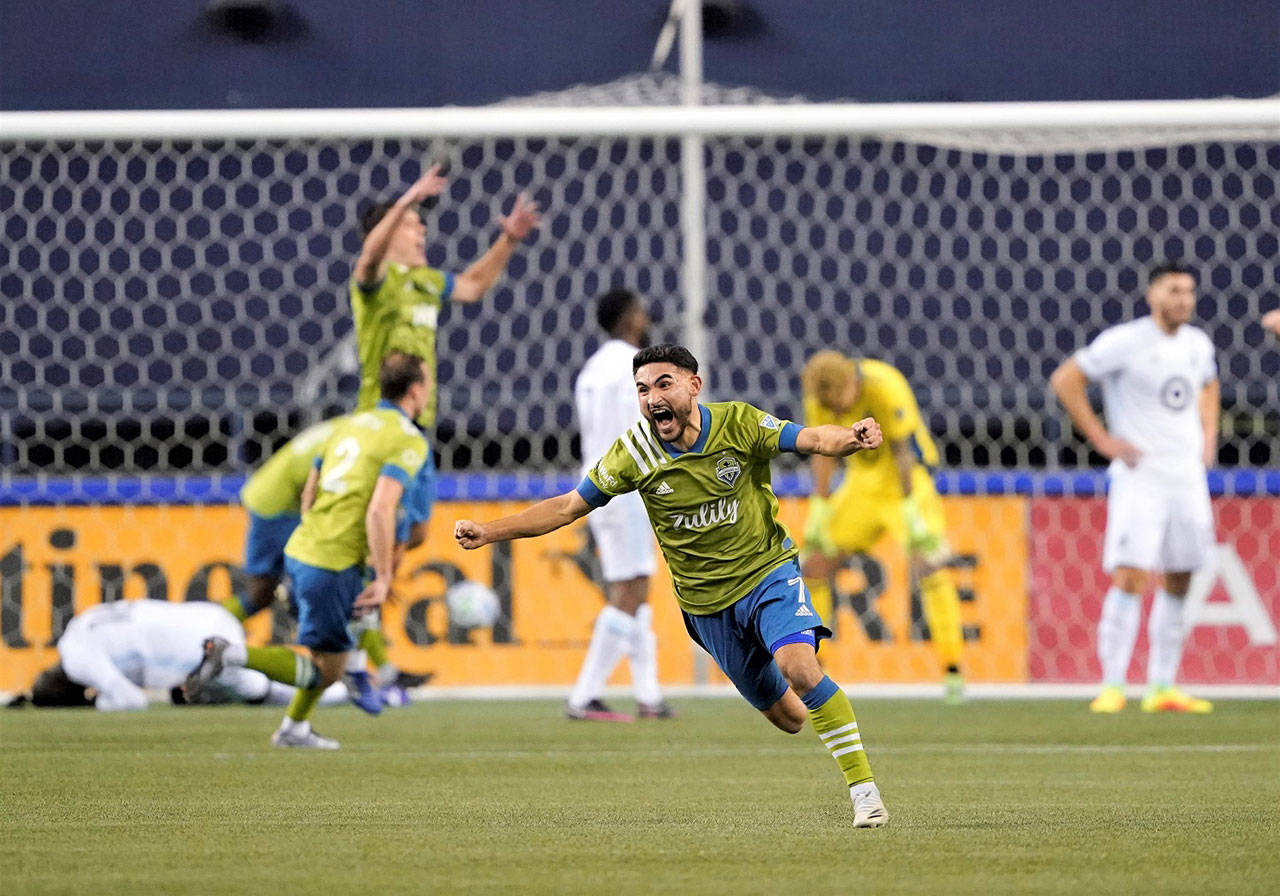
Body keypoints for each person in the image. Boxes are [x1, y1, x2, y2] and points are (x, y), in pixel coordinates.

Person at [455, 344, 890, 827]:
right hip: (707, 607)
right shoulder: (635, 453)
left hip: (767, 571)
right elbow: (566, 507)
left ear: (693, 386)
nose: (652, 398)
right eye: (642, 390)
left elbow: (812, 438)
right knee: (791, 718)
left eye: (664, 384)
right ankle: (799, 683)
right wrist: (490, 531)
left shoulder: (739, 423)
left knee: (800, 668)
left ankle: (864, 793)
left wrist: (851, 438)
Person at [348, 164, 542, 682]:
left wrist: (508, 240)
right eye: (413, 225)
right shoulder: (374, 282)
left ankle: (362, 642)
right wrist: (405, 199)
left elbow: (474, 285)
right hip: (379, 426)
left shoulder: (427, 283)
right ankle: (365, 661)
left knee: (411, 534)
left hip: (418, 428)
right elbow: (368, 259)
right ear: (387, 231)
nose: (422, 233)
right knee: (381, 539)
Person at [189, 353, 431, 749]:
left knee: (342, 622)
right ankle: (231, 655)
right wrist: (385, 575)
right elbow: (381, 509)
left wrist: (316, 530)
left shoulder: (348, 425)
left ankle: (297, 726)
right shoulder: (408, 439)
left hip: (305, 546)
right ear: (417, 391)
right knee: (324, 670)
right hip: (330, 560)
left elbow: (310, 489)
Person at [1050, 261, 1219, 714]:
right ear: (1152, 295)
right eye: (1174, 290)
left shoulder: (1198, 344)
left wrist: (1209, 436)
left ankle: (1162, 685)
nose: (1183, 299)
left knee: (1181, 576)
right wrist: (1102, 440)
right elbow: (1065, 380)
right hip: (1141, 477)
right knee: (1131, 575)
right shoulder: (1125, 341)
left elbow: (1209, 385)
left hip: (1186, 478)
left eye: (1189, 291)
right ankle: (1112, 685)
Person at [799, 351, 966, 704]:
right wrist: (819, 505)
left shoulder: (884, 385)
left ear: (851, 382)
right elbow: (822, 452)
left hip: (906, 481)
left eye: (840, 402)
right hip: (863, 484)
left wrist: (910, 509)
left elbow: (904, 451)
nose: (837, 410)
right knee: (814, 563)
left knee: (929, 563)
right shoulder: (819, 396)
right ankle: (814, 669)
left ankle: (953, 669)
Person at [226, 417, 424, 713]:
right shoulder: (374, 435)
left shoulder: (354, 426)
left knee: (272, 594)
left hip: (276, 493)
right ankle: (206, 636)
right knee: (275, 593)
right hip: (280, 503)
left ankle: (375, 670)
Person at [566, 288, 671, 722]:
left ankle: (649, 695)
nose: (646, 316)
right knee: (632, 589)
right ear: (629, 318)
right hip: (626, 483)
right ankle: (584, 696)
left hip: (594, 481)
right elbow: (645, 427)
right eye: (641, 310)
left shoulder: (591, 369)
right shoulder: (636, 368)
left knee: (633, 587)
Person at [28, 599, 346, 711]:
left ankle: (340, 690)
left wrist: (98, 704)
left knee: (259, 690)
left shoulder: (77, 659)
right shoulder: (79, 625)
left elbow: (132, 701)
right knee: (252, 673)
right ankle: (339, 678)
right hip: (206, 615)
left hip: (196, 648)